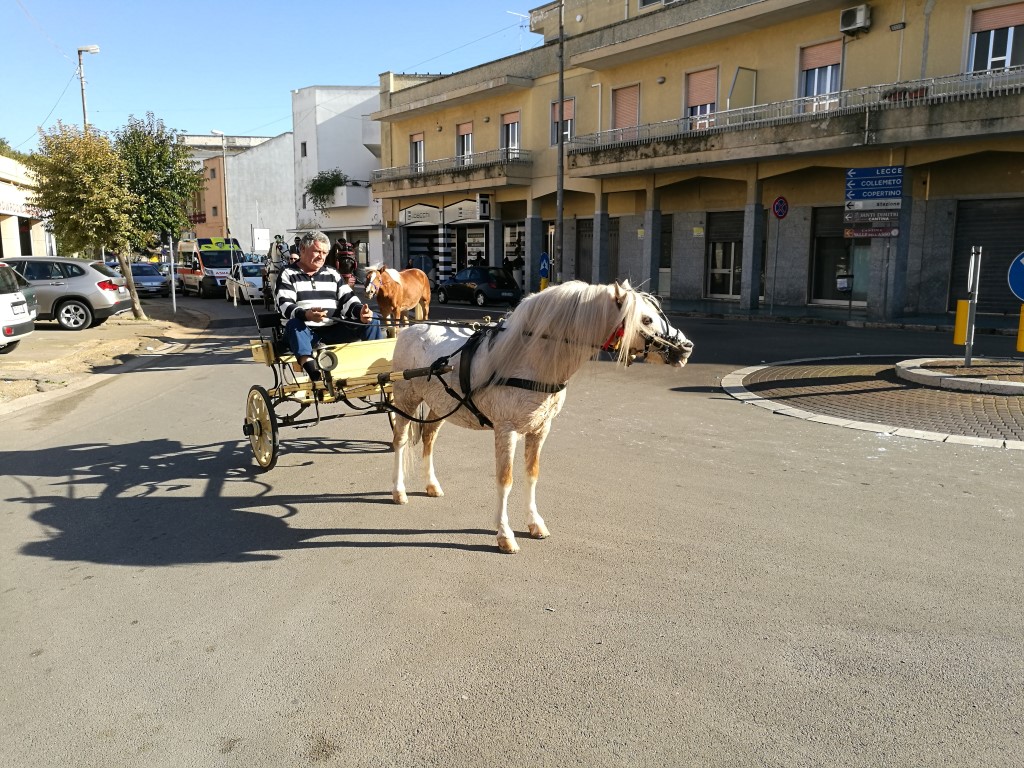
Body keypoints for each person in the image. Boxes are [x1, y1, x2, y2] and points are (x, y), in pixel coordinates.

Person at [276, 231, 384, 380]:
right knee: (295, 325)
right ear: (302, 249)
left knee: (373, 320)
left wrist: (361, 312)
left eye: (325, 253)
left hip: (334, 330)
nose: (321, 256)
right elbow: (284, 304)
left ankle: (376, 367)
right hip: (306, 333)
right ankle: (312, 370)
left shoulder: (332, 273)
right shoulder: (288, 273)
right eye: (317, 251)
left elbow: (348, 299)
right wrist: (306, 314)